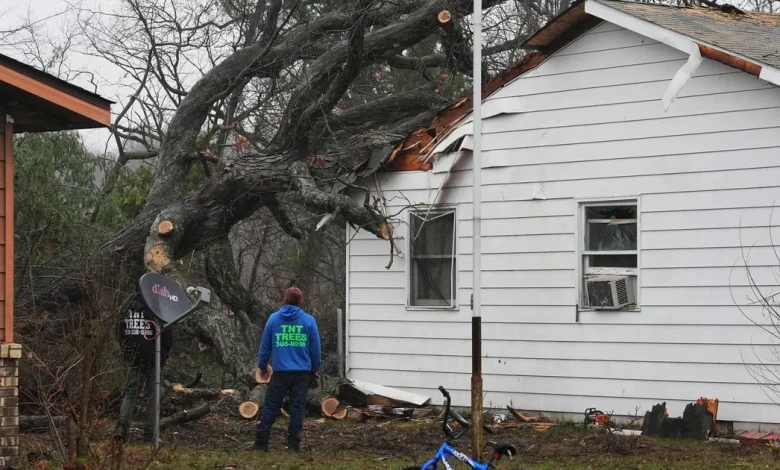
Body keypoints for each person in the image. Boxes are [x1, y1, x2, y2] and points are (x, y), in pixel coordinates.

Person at [254, 287, 321, 452]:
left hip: (280, 372)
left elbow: (265, 346)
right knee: (297, 409)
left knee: (271, 406)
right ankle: (293, 445)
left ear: (284, 300)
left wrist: (262, 366)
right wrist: (314, 370)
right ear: (301, 301)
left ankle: (261, 443)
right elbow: (315, 350)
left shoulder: (273, 319)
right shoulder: (309, 321)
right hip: (302, 373)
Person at [113, 291, 173, 443]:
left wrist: (127, 351)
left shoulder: (127, 305)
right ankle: (150, 434)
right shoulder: (156, 304)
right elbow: (166, 331)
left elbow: (120, 331)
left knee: (130, 394)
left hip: (134, 356)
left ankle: (121, 429)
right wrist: (164, 353)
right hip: (154, 356)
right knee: (153, 396)